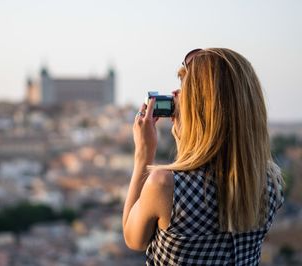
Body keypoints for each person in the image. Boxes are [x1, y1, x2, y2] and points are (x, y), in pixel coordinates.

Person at [122, 48, 284, 265]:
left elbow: (134, 239)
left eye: (184, 88)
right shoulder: (269, 181)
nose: (174, 93)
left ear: (199, 109)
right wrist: (186, 140)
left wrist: (144, 153)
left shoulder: (164, 186)